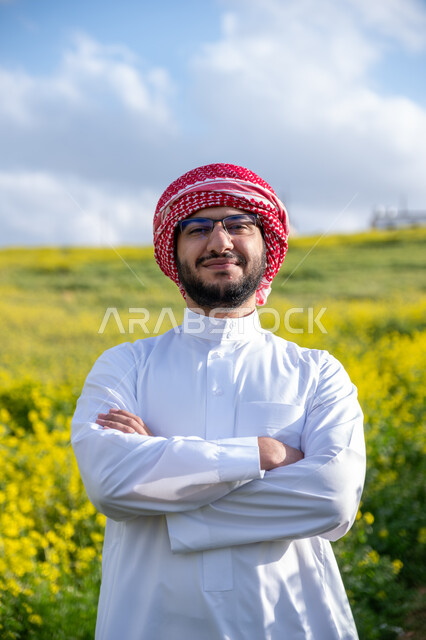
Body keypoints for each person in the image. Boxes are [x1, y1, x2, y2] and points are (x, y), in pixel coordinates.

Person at [71, 163, 366, 640]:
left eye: (238, 225)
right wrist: (265, 454)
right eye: (198, 227)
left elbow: (331, 498)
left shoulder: (317, 372)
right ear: (174, 251)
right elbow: (110, 482)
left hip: (293, 625)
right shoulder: (123, 366)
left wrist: (164, 486)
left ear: (266, 245)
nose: (219, 241)